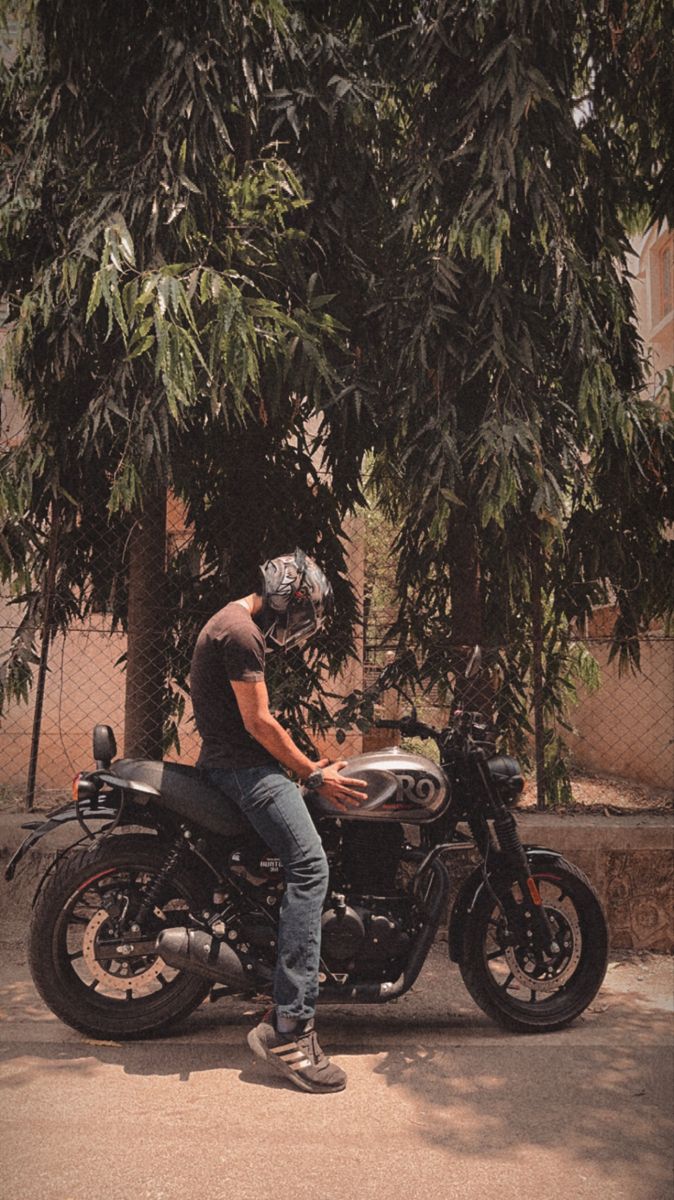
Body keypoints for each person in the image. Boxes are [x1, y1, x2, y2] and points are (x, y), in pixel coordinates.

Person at [190, 548, 367, 1093]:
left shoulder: (233, 623)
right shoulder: (240, 632)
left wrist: (309, 765)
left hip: (239, 766)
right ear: (286, 599)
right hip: (242, 771)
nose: (302, 625)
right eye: (303, 612)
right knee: (310, 867)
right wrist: (312, 774)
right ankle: (290, 1028)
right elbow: (259, 722)